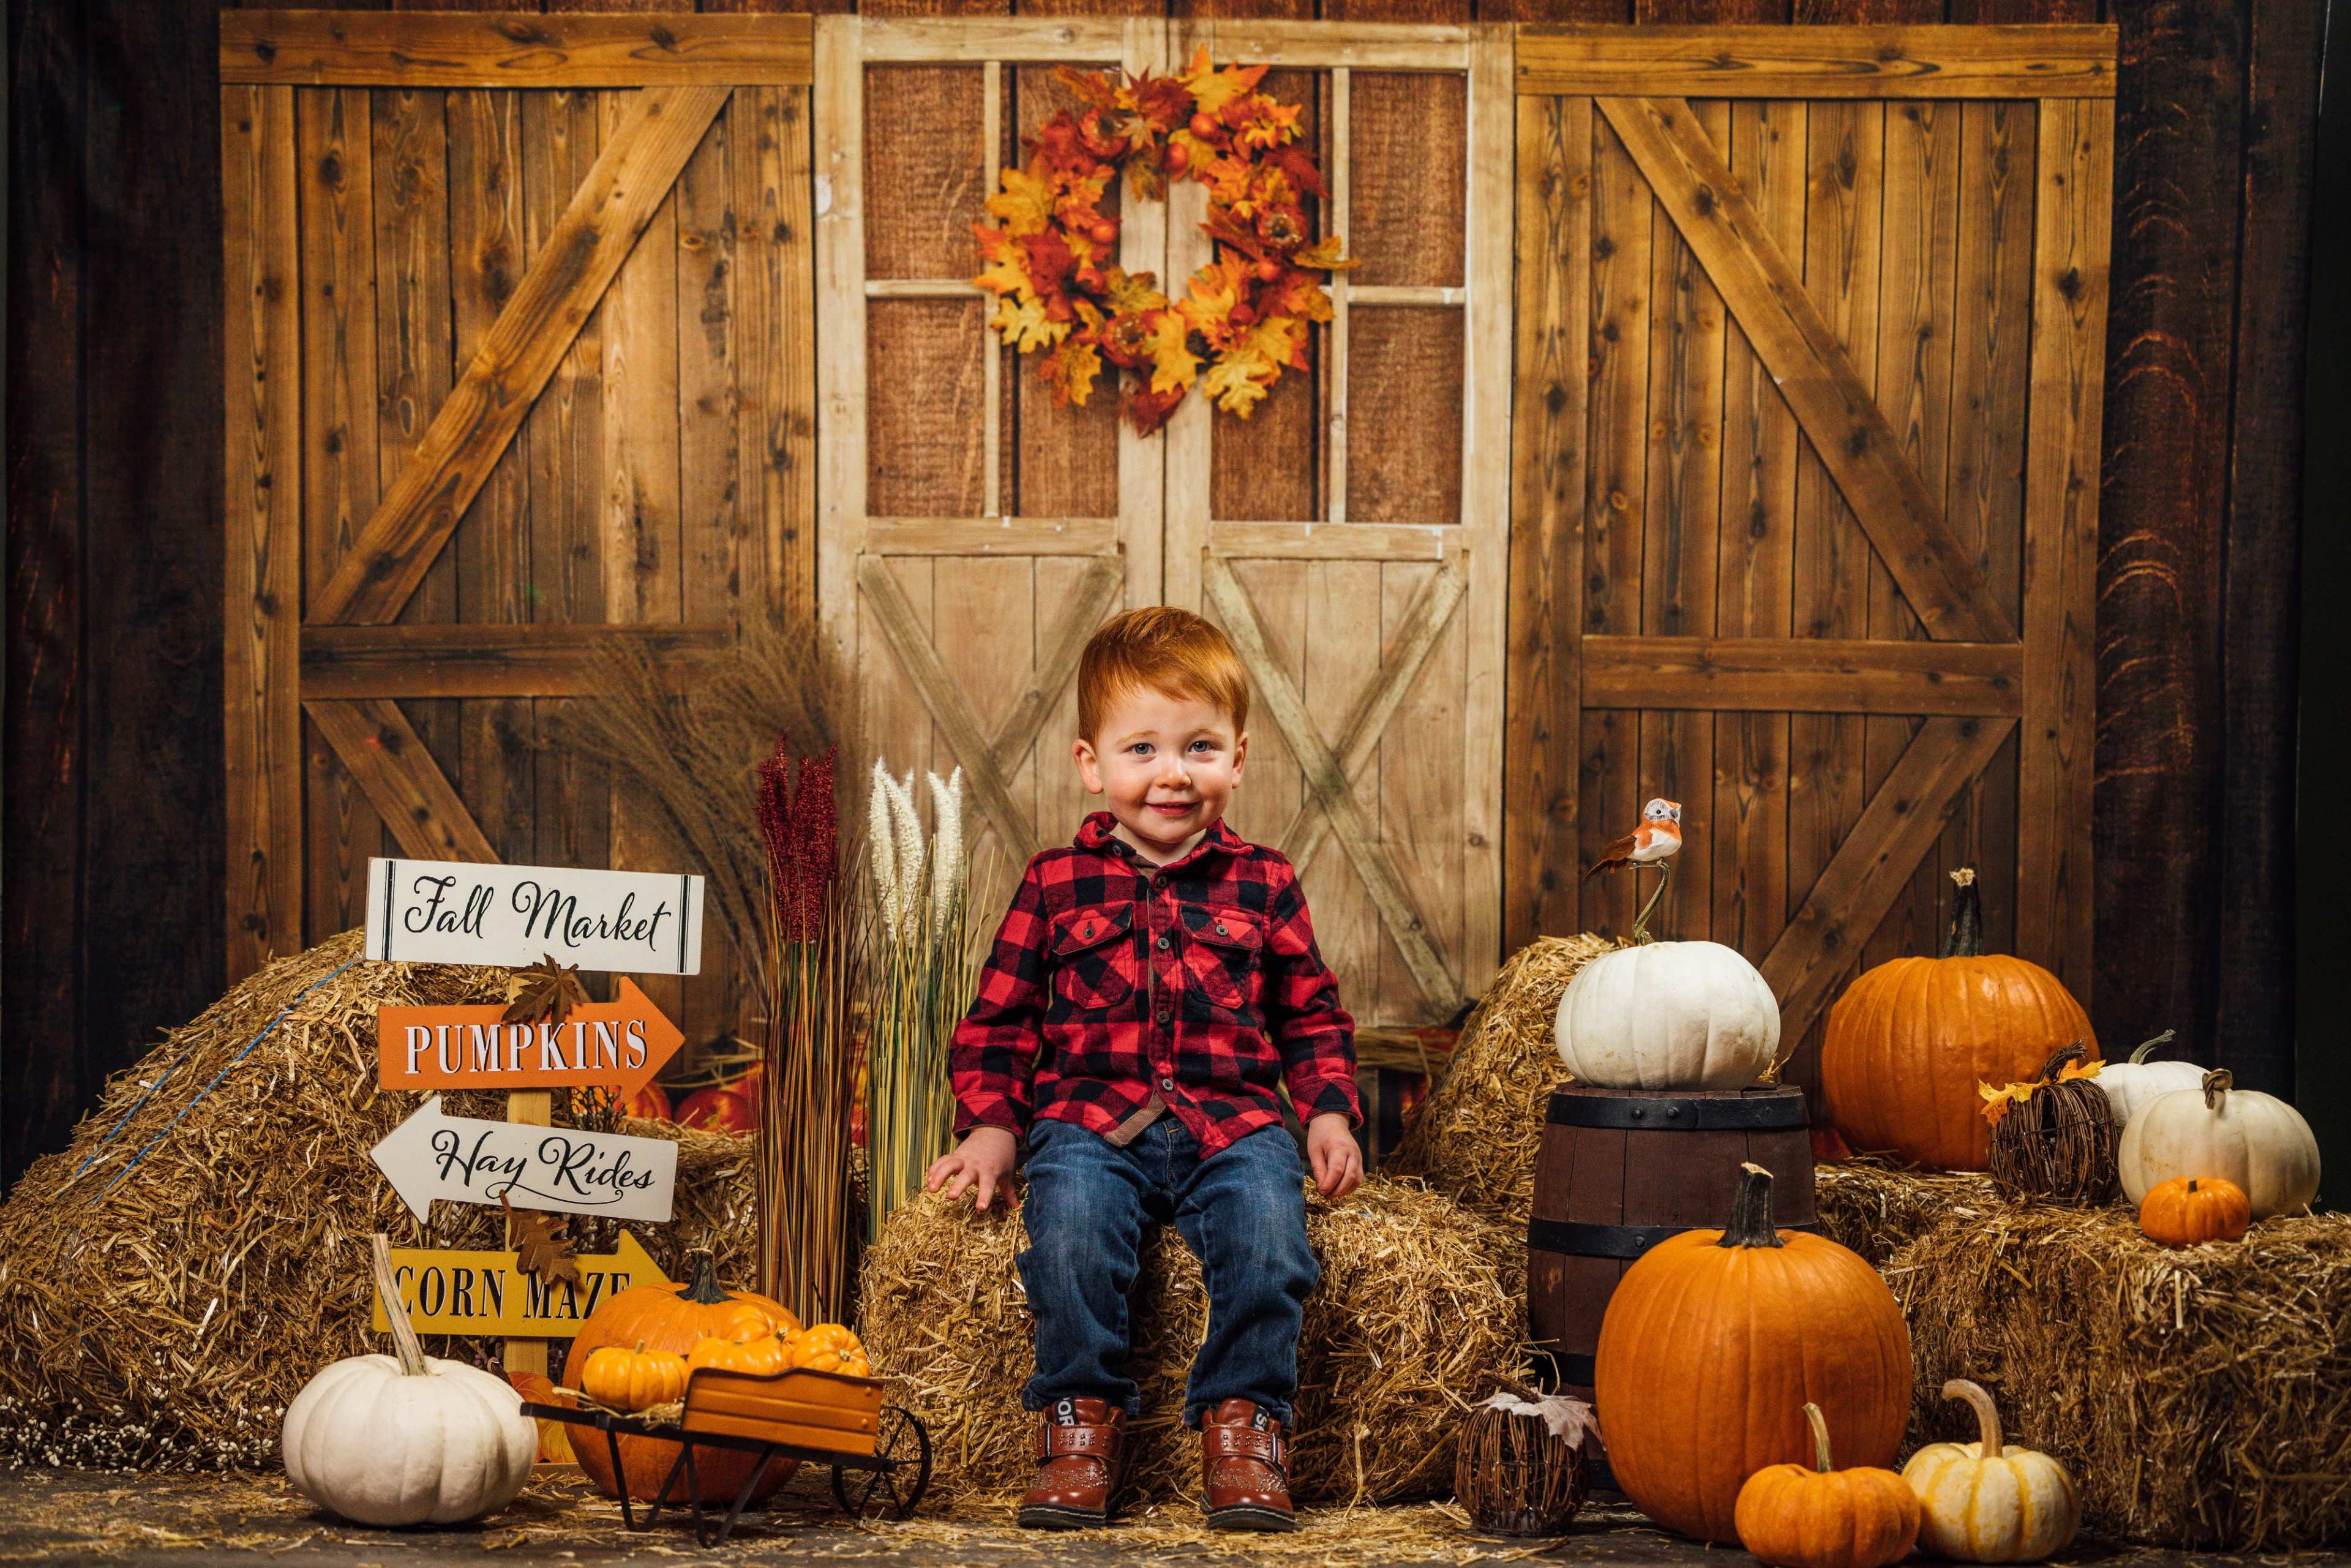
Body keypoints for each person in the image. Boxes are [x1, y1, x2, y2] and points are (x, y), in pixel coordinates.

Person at [924, 606, 1364, 1532]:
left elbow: (1310, 1015)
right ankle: (1080, 1421)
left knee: (1272, 1244)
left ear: (1238, 759)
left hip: (1233, 1124)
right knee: (1072, 1234)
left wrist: (1328, 1115)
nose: (1173, 772)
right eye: (1143, 749)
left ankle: (1245, 1428)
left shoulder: (1267, 884)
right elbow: (1001, 1020)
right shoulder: (1054, 882)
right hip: (1090, 1123)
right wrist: (993, 1125)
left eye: (1200, 746)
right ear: (1093, 763)